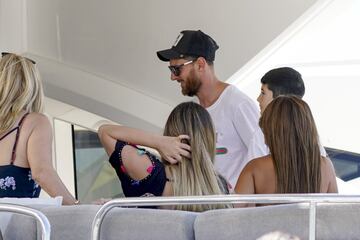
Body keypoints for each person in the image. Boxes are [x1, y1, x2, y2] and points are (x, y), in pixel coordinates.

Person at [157, 30, 267, 188]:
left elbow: (262, 159)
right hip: (203, 209)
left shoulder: (238, 104)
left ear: (200, 64)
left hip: (233, 209)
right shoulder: (194, 113)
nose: (173, 77)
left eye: (176, 69)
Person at [98, 102, 231, 212]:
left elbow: (105, 132)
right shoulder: (220, 186)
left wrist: (158, 142)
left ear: (169, 133)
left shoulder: (149, 171)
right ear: (209, 138)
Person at [0, 52, 77, 205]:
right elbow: (42, 173)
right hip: (12, 224)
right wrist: (78, 209)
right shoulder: (35, 122)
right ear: (31, 85)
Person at [234, 96, 338, 201]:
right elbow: (333, 212)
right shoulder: (326, 166)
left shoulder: (255, 168)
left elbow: (234, 213)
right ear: (308, 129)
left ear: (271, 132)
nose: (264, 138)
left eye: (264, 129)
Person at [256, 66, 327, 156]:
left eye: (263, 93)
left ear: (280, 98)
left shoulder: (262, 133)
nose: (258, 99)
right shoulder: (309, 133)